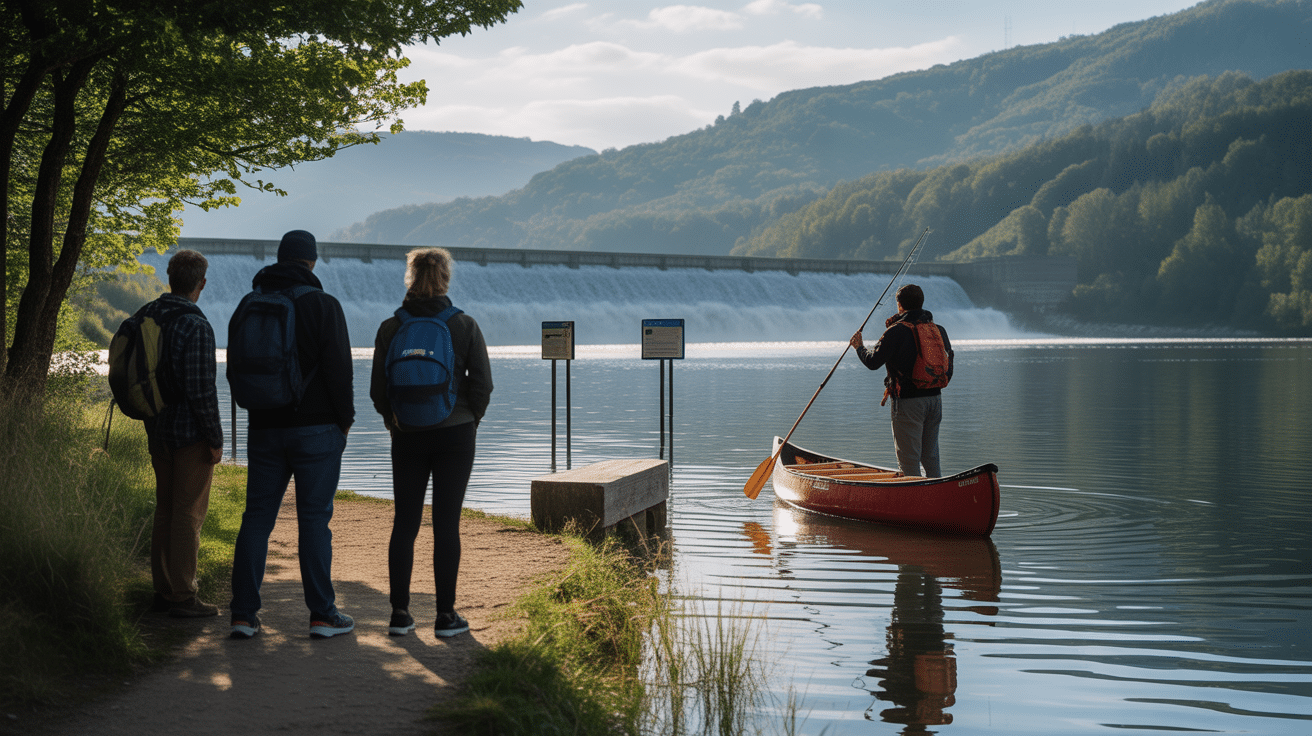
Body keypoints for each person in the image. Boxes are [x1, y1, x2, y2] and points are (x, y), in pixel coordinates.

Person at [228, 230, 355, 640]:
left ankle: (243, 615)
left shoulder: (248, 305)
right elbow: (339, 371)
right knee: (314, 520)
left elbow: (234, 369)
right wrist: (344, 420)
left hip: (264, 427)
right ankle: (322, 614)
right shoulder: (323, 305)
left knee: (256, 519)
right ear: (312, 262)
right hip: (316, 430)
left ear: (279, 258)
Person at [371, 247, 492, 638]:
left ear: (410, 278)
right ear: (445, 279)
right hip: (456, 433)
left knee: (404, 522)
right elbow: (482, 385)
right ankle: (445, 617)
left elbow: (378, 389)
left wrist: (395, 422)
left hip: (407, 433)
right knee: (446, 524)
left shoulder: (391, 327)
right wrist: (470, 420)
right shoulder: (464, 325)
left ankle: (400, 615)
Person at [143, 249, 224, 618]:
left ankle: (162, 589)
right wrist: (215, 439)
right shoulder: (196, 325)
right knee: (188, 513)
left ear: (170, 278)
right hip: (189, 434)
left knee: (166, 509)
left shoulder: (148, 315)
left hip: (156, 429)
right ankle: (182, 596)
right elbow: (201, 391)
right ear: (201, 284)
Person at [849, 284, 953, 478]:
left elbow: (873, 362)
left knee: (909, 460)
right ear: (922, 303)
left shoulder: (896, 331)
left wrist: (859, 347)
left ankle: (915, 503)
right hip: (935, 399)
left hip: (908, 402)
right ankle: (937, 498)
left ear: (899, 305)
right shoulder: (938, 330)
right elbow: (949, 363)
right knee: (931, 457)